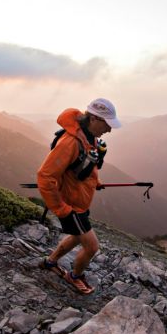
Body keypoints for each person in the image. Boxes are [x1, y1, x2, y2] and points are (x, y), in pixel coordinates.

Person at [37, 98, 121, 294]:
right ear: (93, 118)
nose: (109, 130)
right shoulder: (70, 142)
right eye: (107, 124)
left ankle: (50, 262)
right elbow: (45, 176)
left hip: (79, 202)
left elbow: (80, 170)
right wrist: (61, 209)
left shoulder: (87, 137)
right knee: (91, 247)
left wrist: (94, 182)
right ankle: (74, 276)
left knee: (76, 236)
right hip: (71, 206)